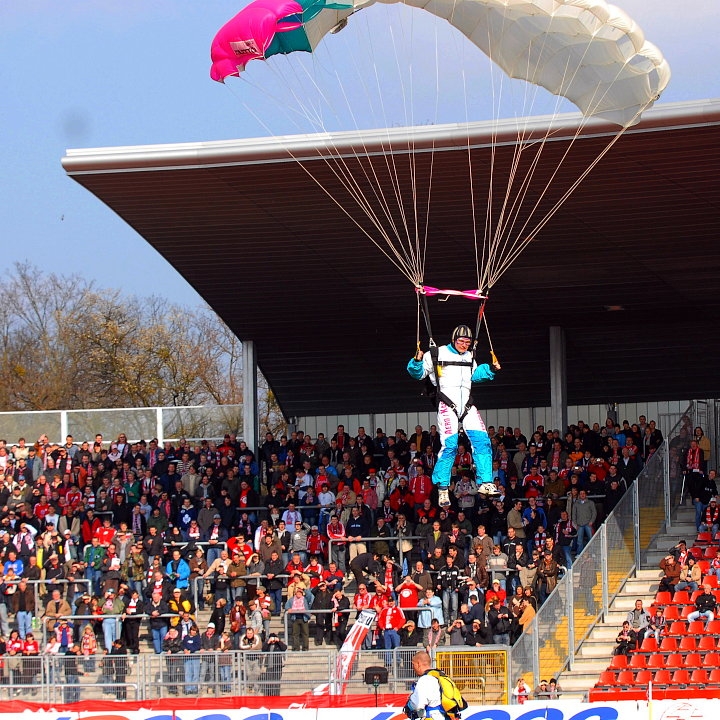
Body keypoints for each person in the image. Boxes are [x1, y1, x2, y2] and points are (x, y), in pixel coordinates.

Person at [407, 325, 500, 507]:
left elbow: (474, 374)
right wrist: (416, 361)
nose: (464, 345)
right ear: (453, 340)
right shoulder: (436, 353)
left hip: (467, 404)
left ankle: (485, 482)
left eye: (467, 342)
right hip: (447, 404)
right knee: (450, 445)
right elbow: (417, 374)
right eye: (461, 341)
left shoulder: (469, 356)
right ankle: (443, 487)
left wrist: (490, 369)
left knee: (482, 441)